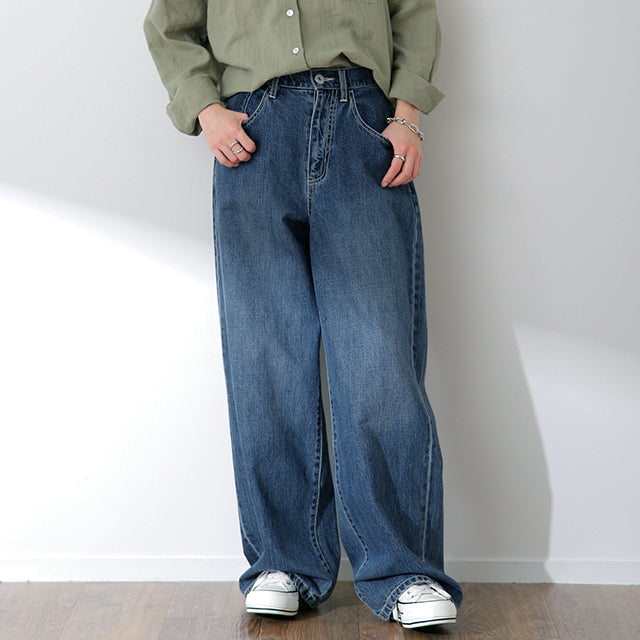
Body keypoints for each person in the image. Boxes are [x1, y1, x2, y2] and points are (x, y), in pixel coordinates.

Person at [143, 0, 463, 629]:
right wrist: (206, 110)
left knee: (378, 357)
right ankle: (282, 561)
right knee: (266, 357)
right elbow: (169, 24)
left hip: (363, 121)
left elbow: (413, 11)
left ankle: (404, 568)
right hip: (251, 133)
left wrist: (407, 117)